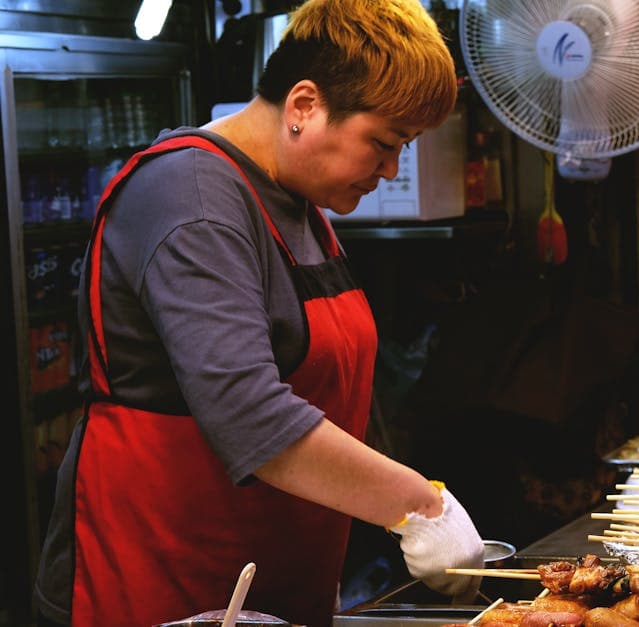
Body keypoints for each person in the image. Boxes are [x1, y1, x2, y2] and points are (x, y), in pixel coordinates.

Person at [33, 1, 484, 625]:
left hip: (273, 579)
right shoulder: (192, 200)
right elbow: (249, 413)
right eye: (383, 144)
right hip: (161, 580)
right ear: (304, 106)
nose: (390, 169)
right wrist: (417, 505)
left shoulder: (299, 201)